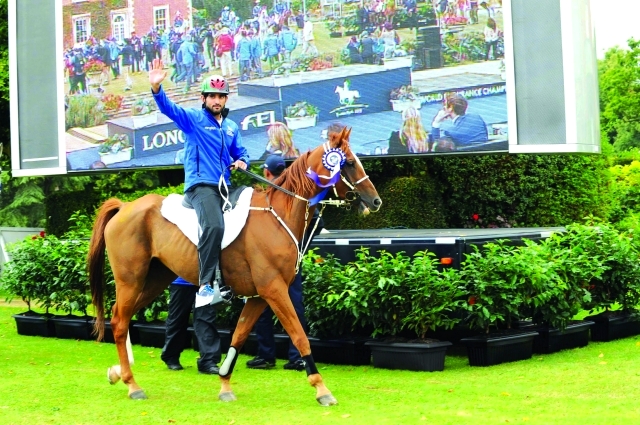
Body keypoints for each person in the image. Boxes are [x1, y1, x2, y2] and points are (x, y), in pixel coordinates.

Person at [150, 59, 249, 307]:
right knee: (214, 227)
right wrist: (156, 89)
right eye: (212, 96)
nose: (217, 100)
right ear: (203, 98)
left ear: (226, 100)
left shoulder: (231, 127)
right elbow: (169, 109)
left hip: (225, 188)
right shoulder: (193, 119)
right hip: (200, 187)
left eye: (221, 96)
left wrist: (243, 162)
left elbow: (241, 152)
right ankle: (205, 286)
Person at [245, 154, 324, 371]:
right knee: (294, 307)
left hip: (267, 262)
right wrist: (299, 248)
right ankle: (296, 356)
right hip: (290, 262)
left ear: (268, 173)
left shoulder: (267, 197)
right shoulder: (296, 194)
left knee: (261, 306)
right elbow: (317, 221)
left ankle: (266, 355)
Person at [161, 277, 222, 374]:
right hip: (181, 282)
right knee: (177, 319)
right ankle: (171, 357)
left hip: (206, 284)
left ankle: (208, 362)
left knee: (206, 320)